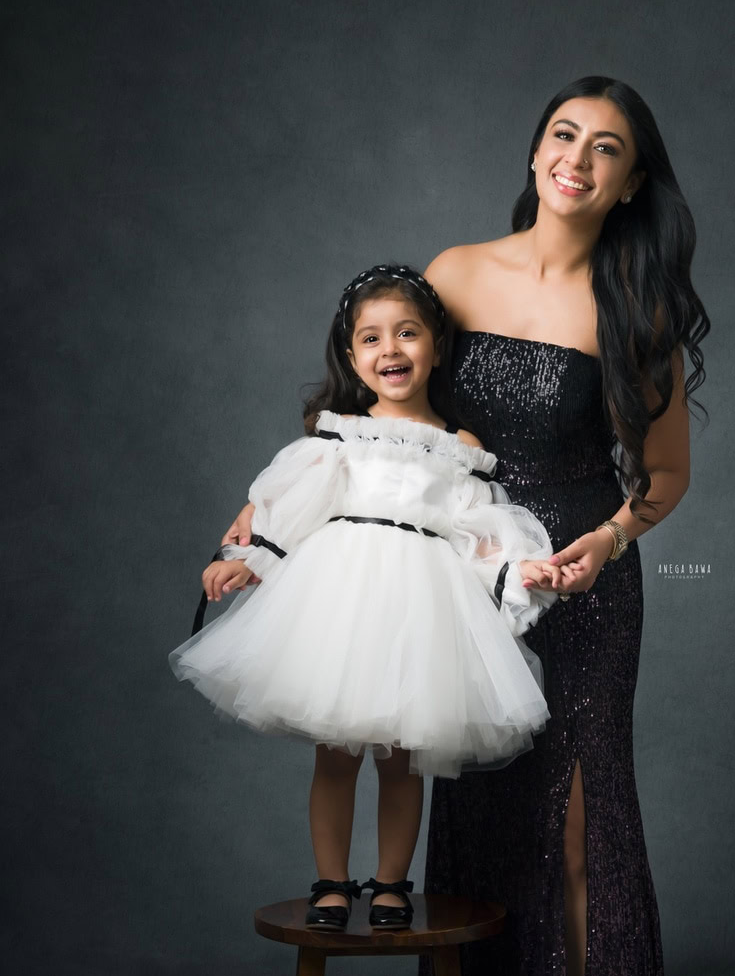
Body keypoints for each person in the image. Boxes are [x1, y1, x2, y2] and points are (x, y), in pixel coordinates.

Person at [225, 76, 709, 976]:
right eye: (561, 135)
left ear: (631, 180)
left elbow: (671, 475)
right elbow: (380, 401)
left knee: (581, 835)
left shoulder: (631, 308)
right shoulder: (452, 272)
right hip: (457, 579)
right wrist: (278, 506)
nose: (576, 160)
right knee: (484, 831)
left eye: (605, 148)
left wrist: (609, 538)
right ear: (536, 150)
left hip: (578, 588)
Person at [171, 263, 565, 932]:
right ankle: (329, 883)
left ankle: (389, 886)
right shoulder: (340, 433)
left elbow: (478, 527)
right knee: (335, 751)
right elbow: (297, 503)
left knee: (403, 755)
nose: (391, 350)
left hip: (422, 609)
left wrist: (516, 570)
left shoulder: (461, 447)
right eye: (372, 338)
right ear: (352, 356)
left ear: (435, 346)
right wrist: (247, 556)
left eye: (407, 333)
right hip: (341, 601)